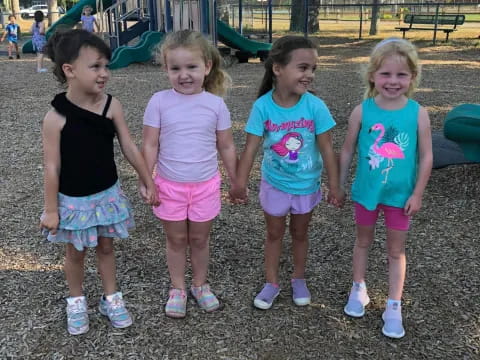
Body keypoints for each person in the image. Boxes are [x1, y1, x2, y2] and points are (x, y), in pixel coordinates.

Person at [39, 29, 158, 335]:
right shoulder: (55, 118)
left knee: (106, 248)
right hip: (73, 200)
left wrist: (148, 179)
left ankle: (111, 298)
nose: (104, 73)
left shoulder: (110, 105)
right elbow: (52, 167)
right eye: (95, 66)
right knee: (75, 253)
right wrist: (51, 210)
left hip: (107, 193)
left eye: (106, 66)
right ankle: (76, 300)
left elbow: (129, 146)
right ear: (69, 70)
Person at [233, 36, 342, 310]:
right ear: (278, 68)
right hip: (275, 183)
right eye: (303, 67)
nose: (309, 75)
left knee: (300, 233)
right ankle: (271, 282)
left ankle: (298, 277)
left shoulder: (315, 106)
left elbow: (328, 149)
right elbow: (250, 150)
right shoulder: (263, 107)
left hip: (306, 185)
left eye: (313, 69)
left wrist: (335, 184)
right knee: (274, 233)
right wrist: (239, 183)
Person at [141, 30, 240, 318]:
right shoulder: (159, 101)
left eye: (191, 67)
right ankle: (178, 288)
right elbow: (149, 144)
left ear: (207, 67)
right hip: (169, 186)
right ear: (166, 69)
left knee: (199, 239)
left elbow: (226, 145)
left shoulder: (216, 104)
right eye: (176, 68)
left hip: (205, 186)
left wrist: (237, 181)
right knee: (176, 240)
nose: (184, 75)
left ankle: (199, 284)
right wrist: (147, 180)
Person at [339, 38, 433, 339]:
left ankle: (394, 305)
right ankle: (359, 288)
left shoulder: (417, 113)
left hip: (400, 197)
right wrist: (339, 185)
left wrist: (417, 192)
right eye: (386, 74)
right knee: (362, 242)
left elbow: (426, 155)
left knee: (396, 250)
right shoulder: (362, 111)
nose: (393, 81)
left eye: (401, 75)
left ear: (412, 78)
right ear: (372, 75)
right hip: (367, 194)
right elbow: (347, 150)